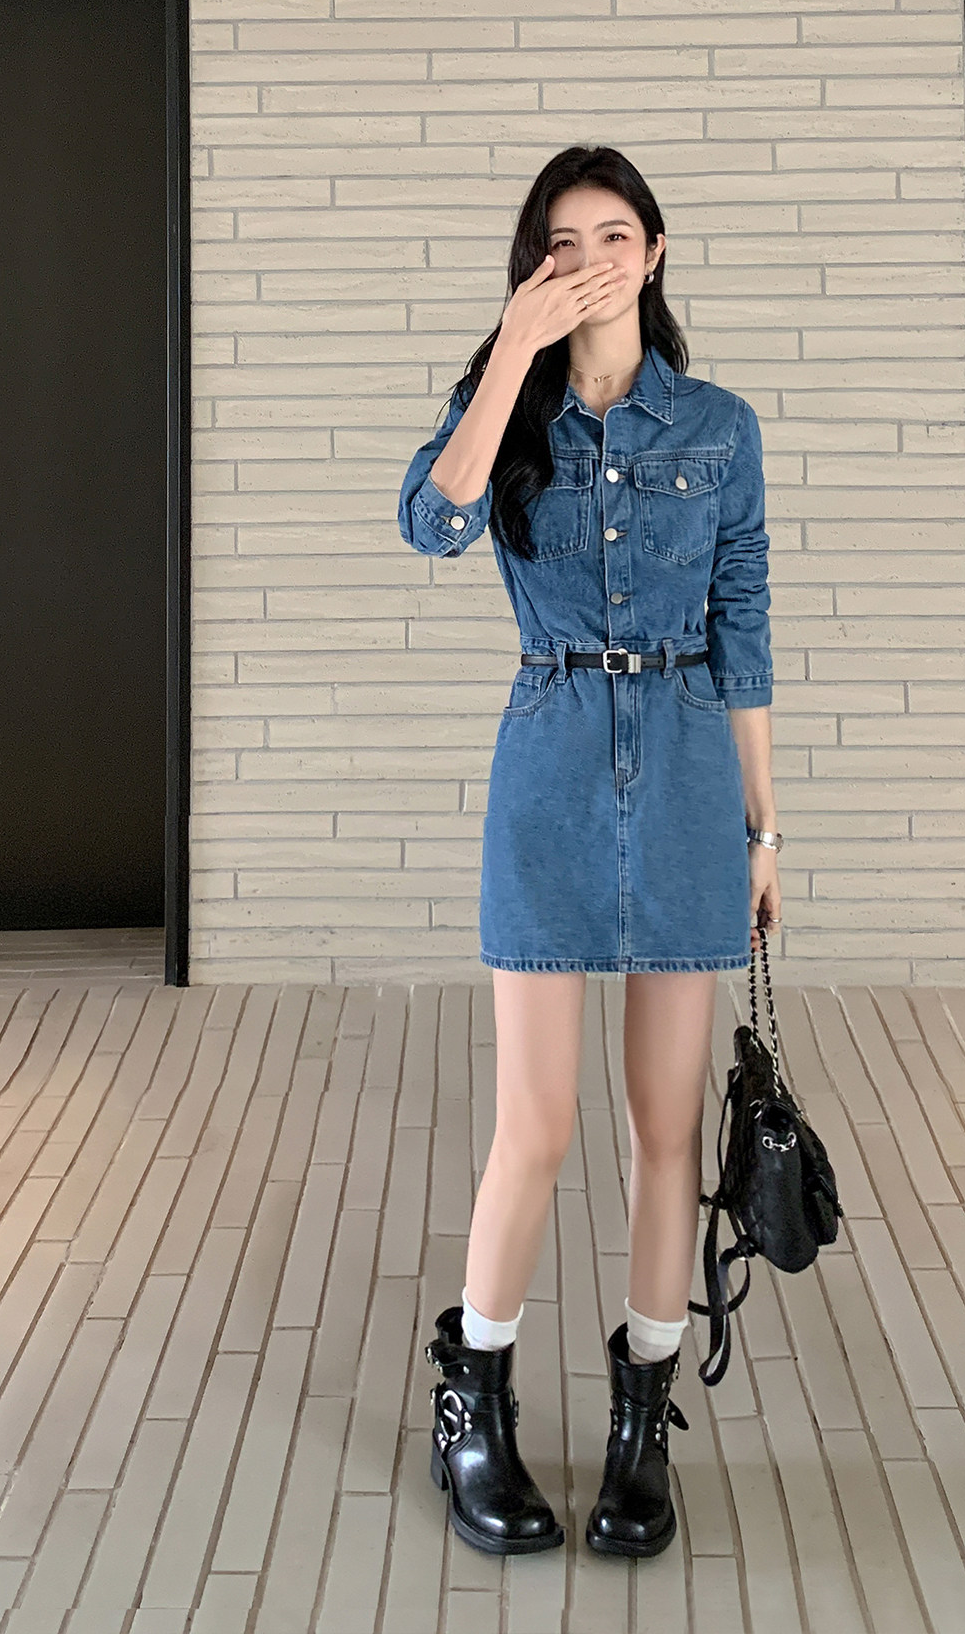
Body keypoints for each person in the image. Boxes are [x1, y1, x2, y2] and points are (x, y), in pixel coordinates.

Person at [396, 145, 781, 1560]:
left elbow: (743, 624)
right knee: (537, 1126)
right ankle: (476, 1412)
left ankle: (640, 1431)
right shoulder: (507, 413)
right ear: (535, 267)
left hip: (685, 772)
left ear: (656, 253)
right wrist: (513, 349)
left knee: (664, 1129)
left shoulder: (721, 427)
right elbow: (431, 523)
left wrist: (763, 830)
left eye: (616, 236)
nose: (594, 261)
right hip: (552, 767)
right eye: (563, 243)